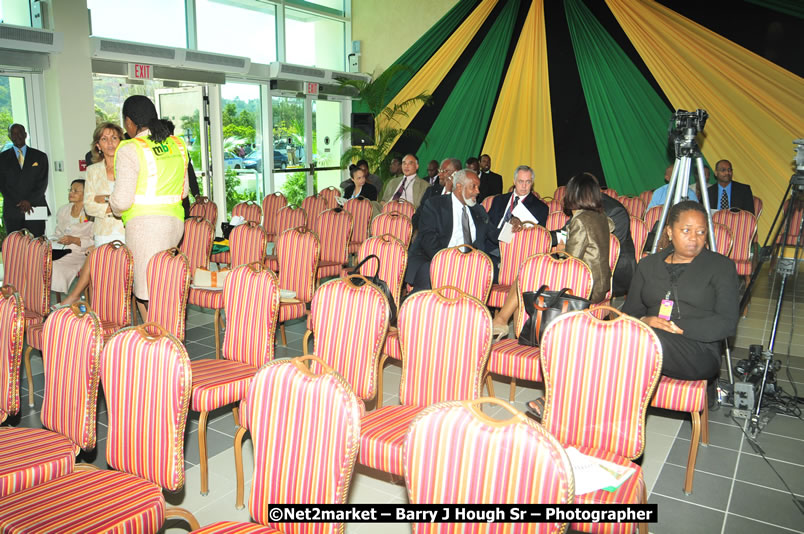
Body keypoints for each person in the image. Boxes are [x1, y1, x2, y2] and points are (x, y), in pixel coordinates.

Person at [623, 201, 738, 381]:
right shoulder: (648, 265)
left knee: (636, 341)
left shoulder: (720, 266)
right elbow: (630, 313)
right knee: (610, 334)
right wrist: (645, 321)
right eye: (686, 230)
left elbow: (727, 322)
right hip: (650, 336)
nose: (694, 238)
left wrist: (677, 328)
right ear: (670, 231)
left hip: (699, 349)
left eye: (701, 232)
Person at [491, 172, 613, 336]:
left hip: (584, 286)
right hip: (599, 283)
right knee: (530, 271)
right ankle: (506, 323)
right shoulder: (601, 217)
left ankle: (503, 321)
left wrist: (560, 252)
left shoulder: (581, 220)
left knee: (526, 272)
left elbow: (570, 264)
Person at [110, 96, 189, 320]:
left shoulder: (130, 148)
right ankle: (167, 335)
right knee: (166, 286)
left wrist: (112, 203)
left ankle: (157, 340)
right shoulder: (177, 144)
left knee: (147, 292)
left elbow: (122, 202)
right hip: (175, 225)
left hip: (145, 229)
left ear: (129, 122)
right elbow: (183, 193)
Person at [60, 123, 127, 308]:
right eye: (104, 139)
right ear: (98, 145)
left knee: (127, 281)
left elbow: (132, 202)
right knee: (105, 280)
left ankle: (127, 319)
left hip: (128, 230)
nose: (110, 143)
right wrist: (115, 204)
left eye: (114, 138)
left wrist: (104, 199)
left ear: (121, 141)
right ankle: (104, 318)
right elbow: (89, 207)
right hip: (104, 231)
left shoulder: (130, 167)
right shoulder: (92, 170)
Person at [405, 169, 492, 293]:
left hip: (469, 264)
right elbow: (428, 241)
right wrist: (449, 261)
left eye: (478, 187)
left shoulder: (478, 211)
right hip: (436, 258)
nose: (478, 191)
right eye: (474, 187)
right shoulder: (435, 205)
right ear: (459, 186)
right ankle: (416, 308)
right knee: (429, 273)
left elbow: (495, 234)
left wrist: (514, 225)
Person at [0, 123, 49, 236]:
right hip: (12, 209)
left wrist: (29, 201)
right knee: (15, 247)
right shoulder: (2, 158)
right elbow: (2, 185)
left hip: (35, 206)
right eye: (13, 133)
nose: (17, 136)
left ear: (26, 135)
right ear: (9, 136)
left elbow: (42, 183)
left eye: (20, 133)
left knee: (37, 244)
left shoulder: (40, 156)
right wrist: (19, 202)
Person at [49, 179, 93, 295]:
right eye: (70, 190)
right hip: (62, 249)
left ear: (86, 193)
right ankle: (38, 298)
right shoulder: (64, 210)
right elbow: (58, 231)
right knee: (40, 260)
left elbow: (94, 241)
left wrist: (74, 240)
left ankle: (69, 297)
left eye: (76, 191)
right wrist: (53, 239)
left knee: (52, 265)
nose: (71, 193)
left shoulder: (91, 213)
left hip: (80, 252)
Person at [411, 157, 461, 229]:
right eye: (439, 170)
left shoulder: (461, 195)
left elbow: (448, 219)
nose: (439, 174)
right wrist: (419, 230)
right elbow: (417, 216)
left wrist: (448, 191)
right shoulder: (431, 191)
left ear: (456, 173)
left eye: (444, 171)